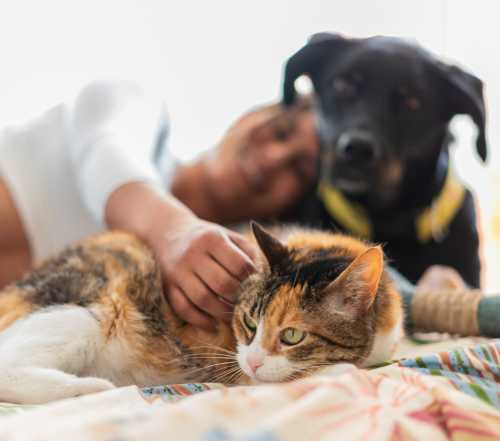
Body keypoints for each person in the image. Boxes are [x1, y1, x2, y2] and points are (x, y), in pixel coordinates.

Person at [0, 81, 318, 330]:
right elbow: (105, 149)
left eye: (300, 169)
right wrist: (174, 232)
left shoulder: (227, 288)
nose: (272, 158)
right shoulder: (136, 107)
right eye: (281, 131)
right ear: (248, 115)